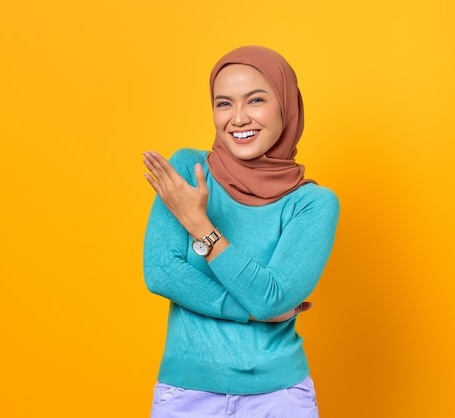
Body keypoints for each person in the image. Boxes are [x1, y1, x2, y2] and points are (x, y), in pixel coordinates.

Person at [142, 45, 339, 418]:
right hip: (188, 395)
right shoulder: (187, 169)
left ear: (285, 106)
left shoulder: (313, 204)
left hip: (279, 398)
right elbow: (161, 273)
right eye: (224, 104)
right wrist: (250, 313)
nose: (238, 118)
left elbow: (271, 298)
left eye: (256, 100)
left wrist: (200, 225)